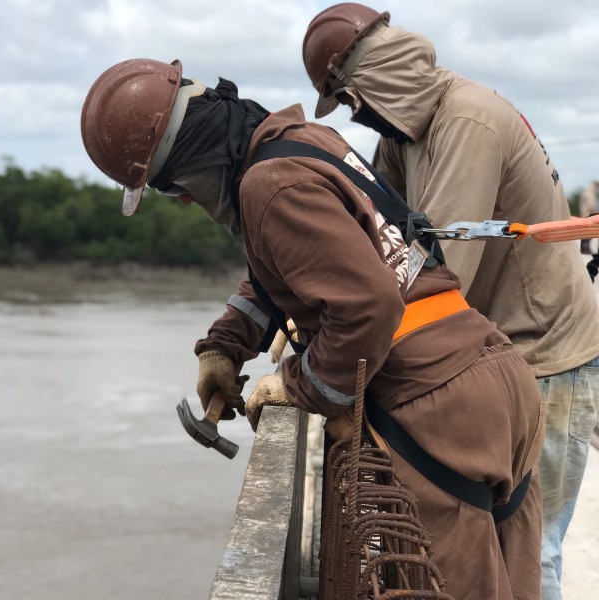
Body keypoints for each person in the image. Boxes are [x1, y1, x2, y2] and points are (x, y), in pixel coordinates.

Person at [81, 57, 544, 599]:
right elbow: (287, 266)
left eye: (172, 186)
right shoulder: (304, 144)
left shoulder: (268, 187)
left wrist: (298, 387)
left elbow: (368, 306)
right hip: (493, 377)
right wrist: (224, 345)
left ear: (193, 158)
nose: (185, 199)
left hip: (436, 406)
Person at [301, 5, 599, 598]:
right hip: (494, 355)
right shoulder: (405, 134)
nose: (356, 116)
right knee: (485, 546)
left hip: (544, 354)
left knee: (531, 550)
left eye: (352, 100)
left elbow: (438, 273)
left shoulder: (467, 121)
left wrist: (338, 366)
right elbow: (377, 237)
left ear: (378, 78)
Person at [579, 181, 599, 254]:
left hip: (584, 214)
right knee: (589, 232)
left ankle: (584, 247)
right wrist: (595, 214)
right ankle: (585, 247)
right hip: (589, 215)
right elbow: (591, 205)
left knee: (585, 232)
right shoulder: (590, 193)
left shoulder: (586, 191)